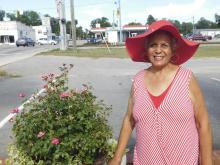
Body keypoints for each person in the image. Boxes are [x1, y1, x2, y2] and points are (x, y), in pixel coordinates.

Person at [109, 20, 213, 165]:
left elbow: (203, 124)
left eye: (164, 45)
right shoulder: (138, 80)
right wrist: (116, 158)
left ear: (173, 49)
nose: (158, 50)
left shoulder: (186, 78)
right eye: (153, 45)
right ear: (146, 49)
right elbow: (128, 120)